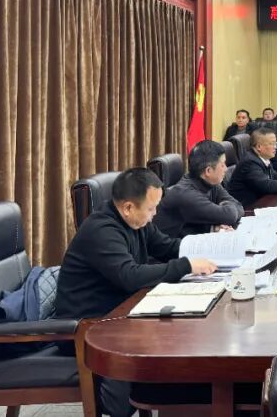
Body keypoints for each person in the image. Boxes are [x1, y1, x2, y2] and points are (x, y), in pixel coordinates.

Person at [55, 169, 218, 417]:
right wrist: (186, 266)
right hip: (90, 327)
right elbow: (129, 276)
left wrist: (211, 246)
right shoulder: (102, 230)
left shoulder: (136, 222)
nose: (155, 215)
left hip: (122, 313)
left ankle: (195, 397)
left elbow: (166, 247)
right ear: (128, 208)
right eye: (151, 209)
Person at [154, 140, 244, 237]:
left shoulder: (211, 183)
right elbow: (230, 216)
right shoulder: (187, 195)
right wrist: (224, 207)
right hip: (173, 244)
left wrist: (214, 227)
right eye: (222, 164)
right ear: (208, 171)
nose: (226, 169)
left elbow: (239, 207)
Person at [227, 127, 277, 207]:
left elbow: (275, 175)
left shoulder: (262, 157)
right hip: (246, 208)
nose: (275, 147)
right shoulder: (250, 162)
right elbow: (266, 185)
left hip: (261, 201)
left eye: (276, 143)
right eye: (272, 144)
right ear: (259, 147)